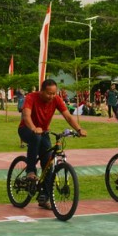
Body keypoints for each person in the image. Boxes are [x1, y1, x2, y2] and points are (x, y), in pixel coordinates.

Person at [18, 79, 87, 208]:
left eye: (54, 93)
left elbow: (68, 116)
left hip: (43, 132)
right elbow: (26, 116)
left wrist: (78, 129)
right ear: (42, 91)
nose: (52, 96)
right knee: (36, 138)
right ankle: (30, 171)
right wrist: (34, 128)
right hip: (26, 129)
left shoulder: (56, 99)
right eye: (49, 93)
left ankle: (44, 196)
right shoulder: (31, 97)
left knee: (48, 162)